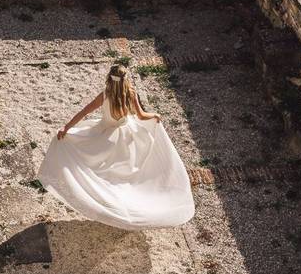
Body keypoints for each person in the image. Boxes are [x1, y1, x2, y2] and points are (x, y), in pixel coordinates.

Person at [36, 64, 195, 229]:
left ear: (109, 79)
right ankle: (126, 204)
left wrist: (66, 128)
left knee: (103, 171)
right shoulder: (131, 94)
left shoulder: (105, 95)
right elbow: (141, 115)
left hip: (105, 135)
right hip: (127, 137)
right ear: (126, 80)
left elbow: (84, 112)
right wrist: (154, 115)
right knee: (125, 174)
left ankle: (108, 202)